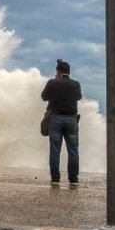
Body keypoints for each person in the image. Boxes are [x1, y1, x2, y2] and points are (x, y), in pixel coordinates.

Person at [41, 59, 82, 188]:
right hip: (71, 120)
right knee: (73, 151)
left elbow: (44, 97)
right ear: (68, 72)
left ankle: (55, 179)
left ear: (58, 71)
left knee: (55, 150)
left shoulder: (52, 83)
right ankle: (73, 180)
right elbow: (79, 97)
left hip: (55, 119)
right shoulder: (75, 84)